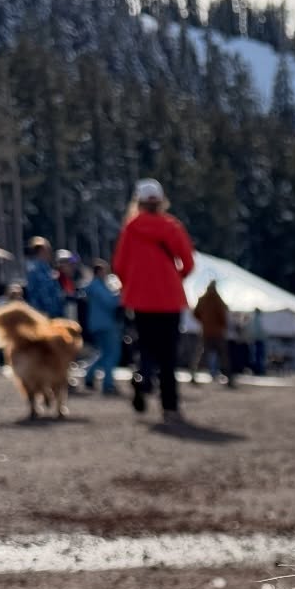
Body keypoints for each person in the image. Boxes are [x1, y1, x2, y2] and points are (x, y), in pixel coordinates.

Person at [111, 179, 195, 424]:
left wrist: (134, 285)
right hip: (169, 299)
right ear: (161, 202)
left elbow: (119, 266)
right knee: (168, 355)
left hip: (140, 300)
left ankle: (142, 382)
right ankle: (170, 406)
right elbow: (188, 262)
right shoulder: (172, 227)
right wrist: (173, 278)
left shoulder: (131, 228)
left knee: (144, 348)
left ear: (138, 202)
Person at [82, 260, 124, 395]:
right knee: (112, 353)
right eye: (105, 270)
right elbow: (110, 302)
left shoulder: (94, 286)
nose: (107, 273)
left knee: (103, 353)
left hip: (97, 324)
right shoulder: (98, 286)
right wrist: (122, 294)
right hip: (105, 324)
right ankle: (108, 384)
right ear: (99, 272)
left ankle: (89, 375)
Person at [193, 277, 233, 385]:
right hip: (218, 332)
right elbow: (223, 315)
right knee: (223, 356)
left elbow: (195, 313)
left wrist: (204, 322)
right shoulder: (217, 300)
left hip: (206, 331)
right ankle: (229, 378)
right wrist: (223, 326)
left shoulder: (203, 299)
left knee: (202, 354)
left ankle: (193, 374)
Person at [24, 238, 67, 319]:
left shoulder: (48, 270)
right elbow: (36, 295)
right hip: (43, 316)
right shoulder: (34, 270)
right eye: (48, 250)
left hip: (54, 316)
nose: (50, 253)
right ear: (41, 250)